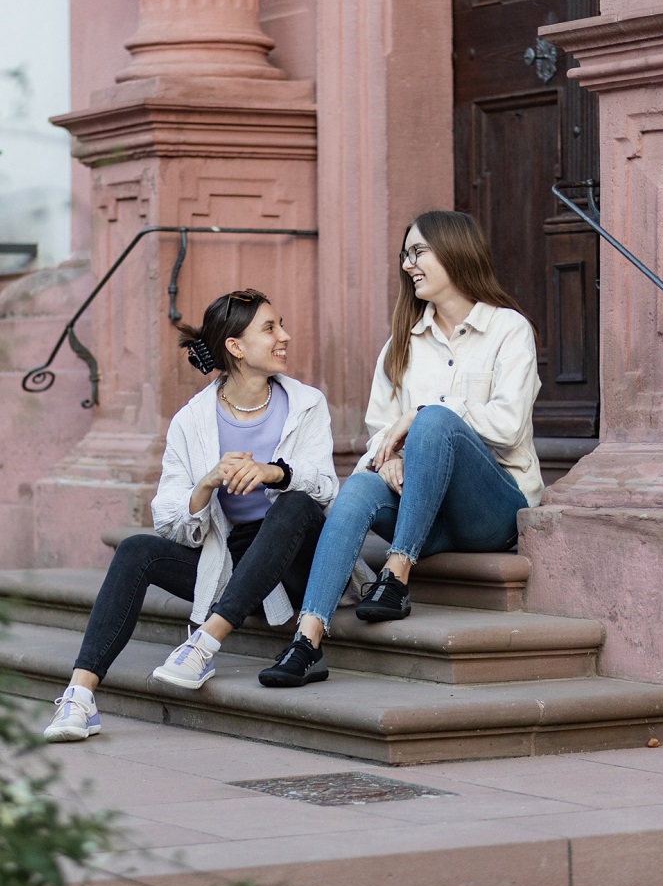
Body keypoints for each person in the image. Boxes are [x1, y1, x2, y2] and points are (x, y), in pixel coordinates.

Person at [258, 210, 543, 688]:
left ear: (455, 252)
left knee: (432, 418)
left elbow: (509, 427)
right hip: (423, 508)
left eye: (418, 252)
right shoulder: (400, 345)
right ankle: (307, 640)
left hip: (491, 508)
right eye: (405, 255)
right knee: (359, 487)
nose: (408, 265)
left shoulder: (508, 330)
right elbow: (377, 434)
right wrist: (387, 459)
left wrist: (421, 417)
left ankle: (397, 569)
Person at [44, 288, 338, 741]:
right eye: (270, 328)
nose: (285, 336)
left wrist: (273, 472)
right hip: (234, 558)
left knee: (295, 503)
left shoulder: (306, 403)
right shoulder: (192, 420)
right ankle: (80, 697)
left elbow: (325, 486)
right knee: (136, 549)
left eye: (280, 325)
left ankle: (203, 644)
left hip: (303, 557)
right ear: (235, 348)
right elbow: (172, 521)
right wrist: (206, 483)